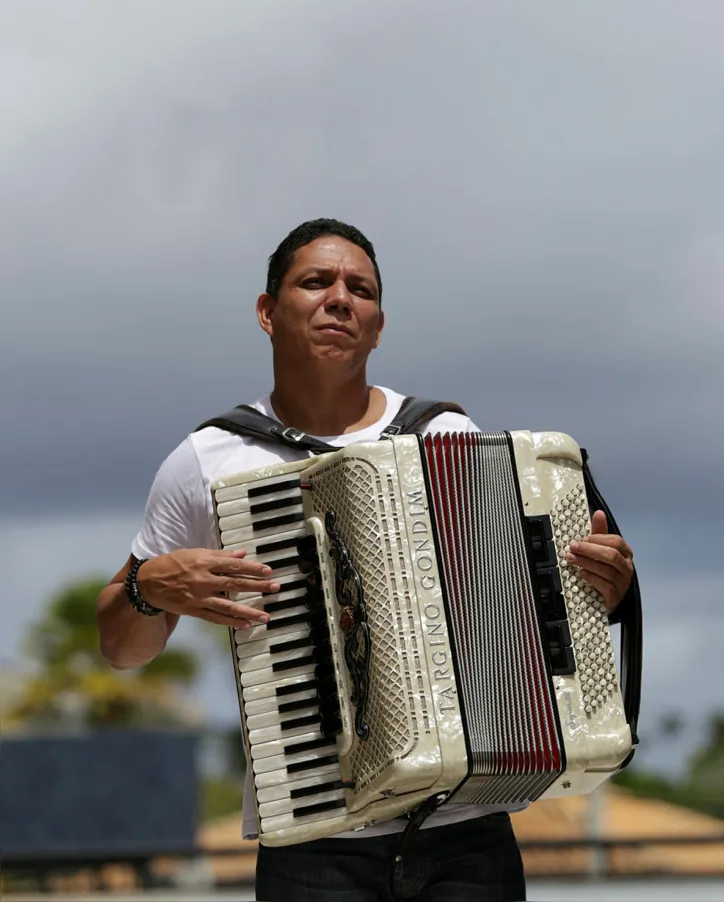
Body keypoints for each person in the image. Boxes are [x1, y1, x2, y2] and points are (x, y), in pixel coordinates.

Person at [96, 218, 635, 902]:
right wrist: (147, 587)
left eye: (361, 289)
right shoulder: (209, 459)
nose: (340, 298)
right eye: (316, 282)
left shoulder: (446, 436)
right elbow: (121, 649)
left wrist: (602, 588)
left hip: (466, 837)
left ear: (378, 327)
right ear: (268, 312)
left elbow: (523, 608)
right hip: (316, 847)